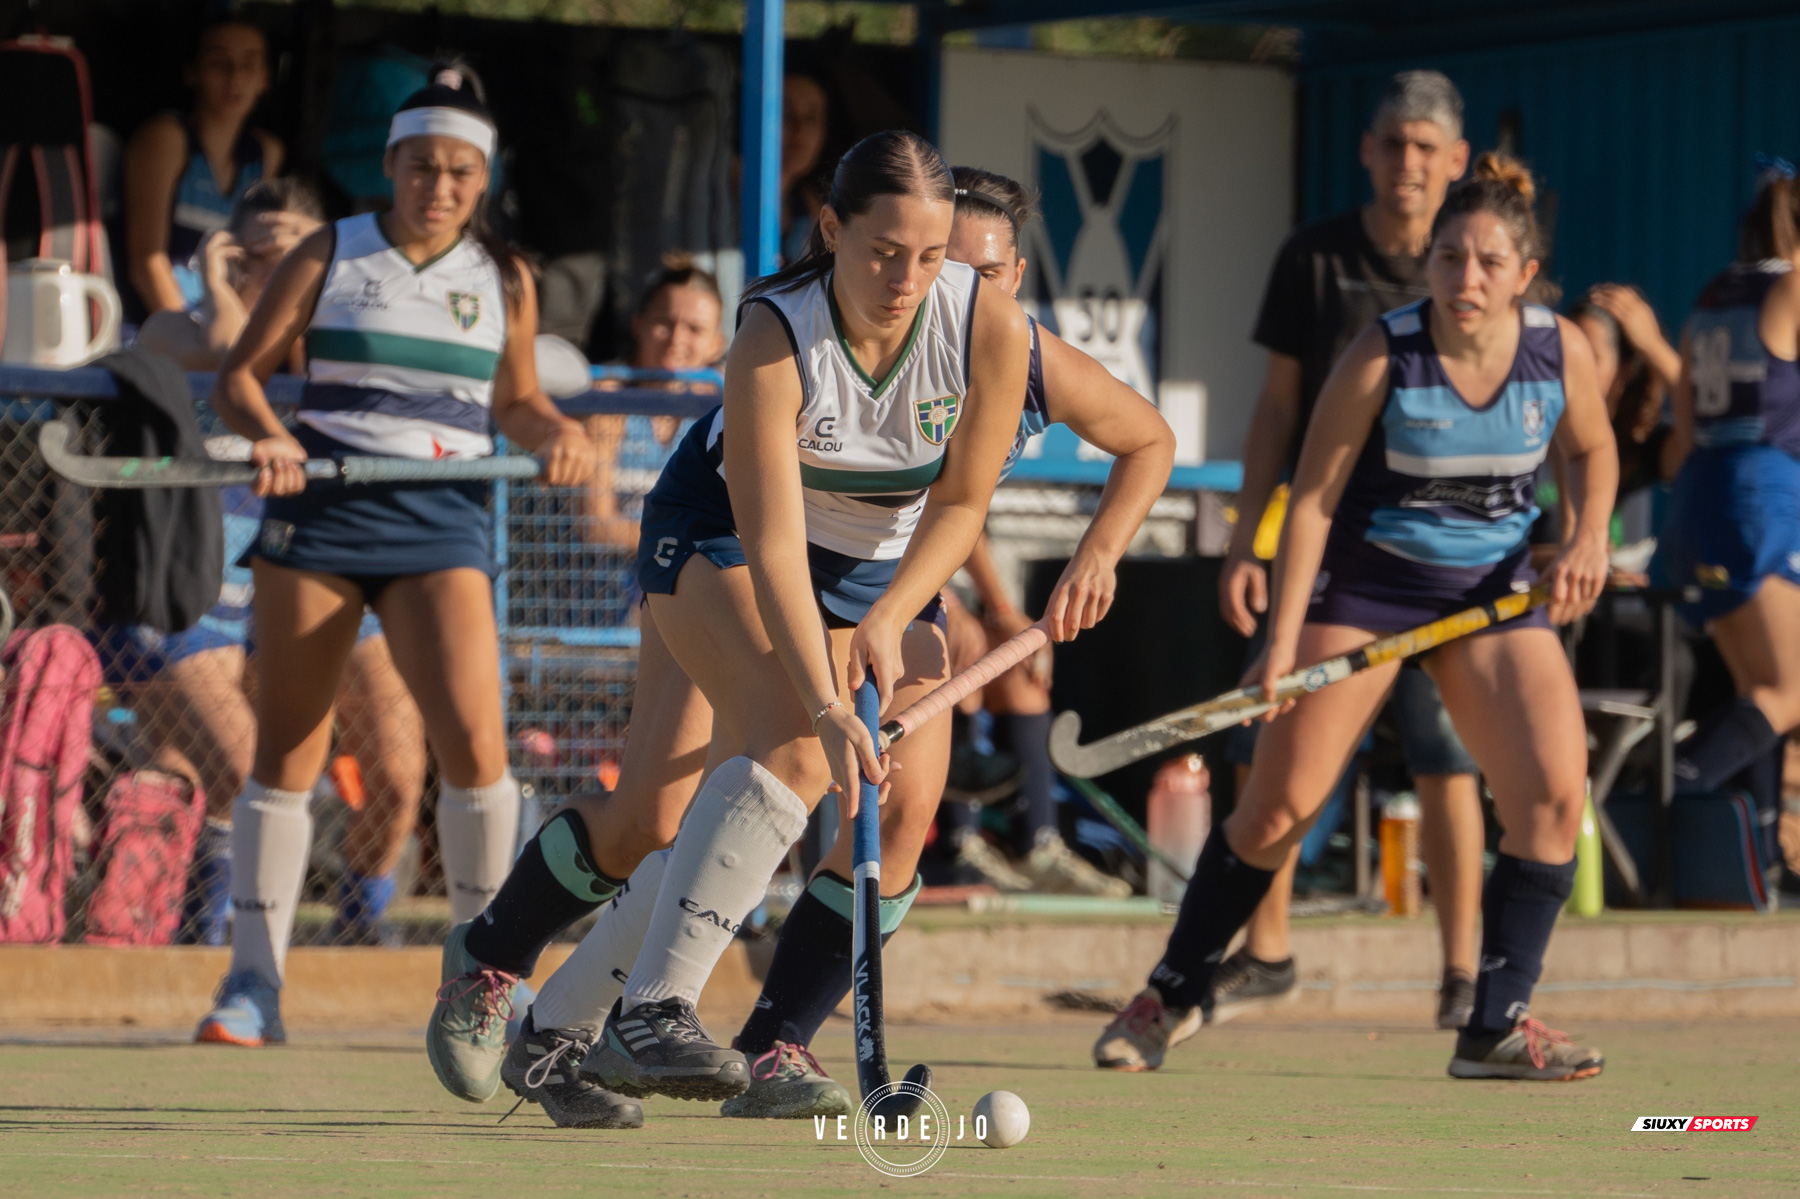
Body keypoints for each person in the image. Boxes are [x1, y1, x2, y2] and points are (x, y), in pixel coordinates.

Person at [423, 131, 1033, 1126]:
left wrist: (906, 607)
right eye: (885, 252)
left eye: (932, 259)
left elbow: (977, 502)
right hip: (714, 534)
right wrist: (832, 700)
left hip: (863, 577)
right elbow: (773, 536)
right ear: (831, 228)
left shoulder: (987, 327)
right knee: (796, 743)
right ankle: (648, 1012)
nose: (908, 280)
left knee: (659, 817)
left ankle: (537, 1013)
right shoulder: (774, 331)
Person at [1095, 154, 1616, 1082]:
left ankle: (1495, 1021)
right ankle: (1169, 995)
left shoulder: (1560, 349)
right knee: (1279, 807)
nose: (1467, 279)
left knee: (1552, 792)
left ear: (1526, 275)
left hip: (1491, 599)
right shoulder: (1384, 350)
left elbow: (1594, 448)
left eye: (1490, 263)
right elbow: (1314, 501)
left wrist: (1583, 540)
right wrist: (1281, 641)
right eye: (1450, 258)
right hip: (1372, 591)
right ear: (1429, 264)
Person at [708, 165, 1173, 1118]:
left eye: (979, 269)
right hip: (763, 557)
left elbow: (1147, 440)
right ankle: (577, 1001)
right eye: (932, 262)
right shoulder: (844, 332)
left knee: (904, 816)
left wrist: (1099, 554)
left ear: (1017, 276)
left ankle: (773, 1039)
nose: (943, 288)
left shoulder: (1019, 353)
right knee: (669, 801)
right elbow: (782, 517)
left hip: (901, 588)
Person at [192, 64, 596, 1047]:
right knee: (288, 752)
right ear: (390, 164)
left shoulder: (506, 276)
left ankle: (488, 979)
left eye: (461, 170)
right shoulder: (333, 251)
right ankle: (253, 984)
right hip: (323, 515)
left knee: (476, 745)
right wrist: (270, 436)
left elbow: (514, 401)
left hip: (440, 517)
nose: (441, 185)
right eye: (422, 166)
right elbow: (242, 377)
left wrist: (554, 430)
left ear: (483, 174)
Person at [1219, 71, 1488, 1029]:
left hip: (1446, 556)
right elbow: (1278, 408)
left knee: (1446, 753)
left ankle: (1465, 975)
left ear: (1456, 162)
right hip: (1332, 552)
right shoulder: (1315, 258)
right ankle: (1268, 949)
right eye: (1393, 143)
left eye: (1427, 148)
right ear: (1367, 151)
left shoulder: (1478, 265)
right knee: (1276, 735)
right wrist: (1247, 539)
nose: (1408, 162)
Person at [128, 179, 430, 951]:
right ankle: (217, 942)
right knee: (241, 769)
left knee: (398, 773)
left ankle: (361, 930)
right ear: (224, 254)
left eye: (294, 250)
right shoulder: (172, 327)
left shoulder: (332, 334)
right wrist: (219, 284)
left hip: (311, 581)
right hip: (194, 596)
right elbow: (235, 360)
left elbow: (294, 348)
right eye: (257, 250)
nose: (276, 264)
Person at [1662, 158, 1800, 879]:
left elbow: (1681, 420)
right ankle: (1674, 783)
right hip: (1760, 494)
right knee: (1790, 690)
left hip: (1703, 492)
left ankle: (1763, 848)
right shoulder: (1793, 287)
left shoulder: (1713, 292)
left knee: (1761, 694)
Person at [123, 17, 283, 317]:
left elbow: (255, 261)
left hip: (221, 328)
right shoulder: (165, 139)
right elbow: (146, 264)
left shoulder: (267, 153)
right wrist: (196, 342)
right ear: (192, 72)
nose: (234, 77)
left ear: (264, 78)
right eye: (218, 62)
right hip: (161, 328)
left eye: (249, 65)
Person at [584, 257, 727, 545]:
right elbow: (597, 526)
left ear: (716, 345)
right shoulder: (610, 397)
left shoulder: (721, 406)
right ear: (638, 324)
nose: (676, 339)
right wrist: (685, 543)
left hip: (688, 580)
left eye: (695, 329)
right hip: (609, 584)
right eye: (664, 322)